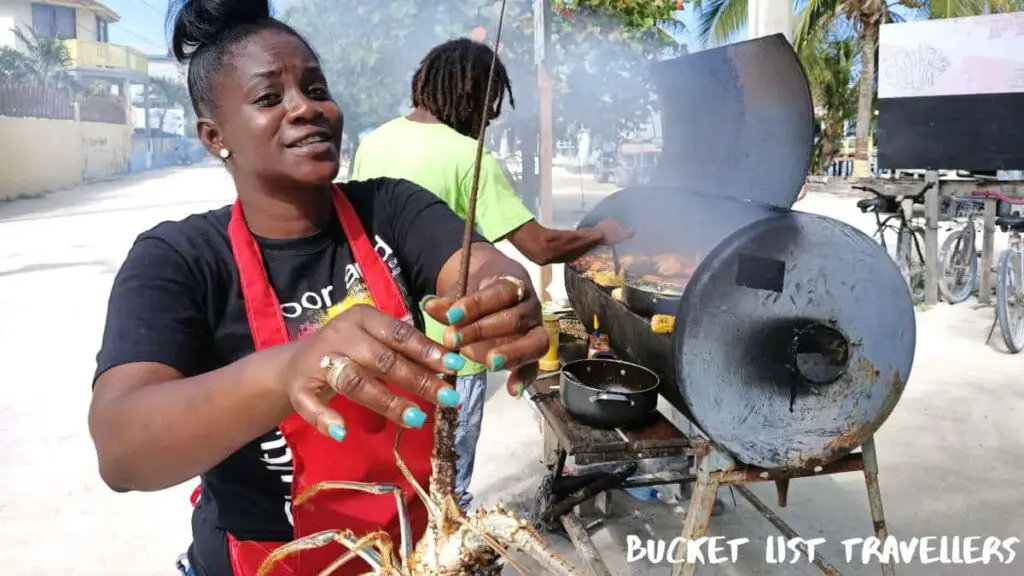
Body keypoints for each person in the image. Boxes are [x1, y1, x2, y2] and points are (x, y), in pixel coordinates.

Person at [87, 2, 548, 576]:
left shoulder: (391, 207)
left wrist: (500, 295)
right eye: (268, 98)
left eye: (316, 87)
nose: (306, 108)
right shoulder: (180, 258)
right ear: (214, 136)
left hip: (411, 555)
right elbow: (122, 450)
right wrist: (288, 370)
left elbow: (475, 264)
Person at [351, 38, 632, 512]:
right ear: (473, 95)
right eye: (490, 104)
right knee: (446, 485)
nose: (491, 117)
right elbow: (540, 247)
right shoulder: (467, 156)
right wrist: (600, 233)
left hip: (382, 345)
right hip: (454, 349)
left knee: (394, 476)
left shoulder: (371, 143)